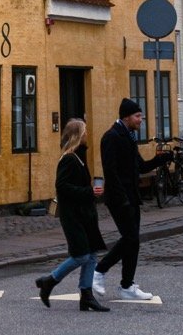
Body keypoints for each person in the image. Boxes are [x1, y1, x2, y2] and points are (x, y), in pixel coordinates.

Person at [93, 97, 169, 301]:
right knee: (130, 238)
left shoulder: (128, 136)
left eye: (141, 116)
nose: (141, 120)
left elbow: (141, 167)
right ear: (126, 117)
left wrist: (162, 159)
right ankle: (99, 271)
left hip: (131, 198)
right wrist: (122, 199)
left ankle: (127, 285)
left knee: (133, 242)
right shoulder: (111, 137)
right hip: (119, 199)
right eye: (138, 116)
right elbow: (110, 171)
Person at [35, 118, 109, 312]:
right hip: (74, 215)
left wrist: (91, 192)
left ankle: (86, 296)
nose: (87, 135)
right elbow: (62, 186)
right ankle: (49, 281)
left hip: (84, 214)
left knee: (91, 254)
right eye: (84, 132)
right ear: (78, 135)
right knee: (81, 255)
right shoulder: (69, 159)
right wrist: (89, 192)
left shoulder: (79, 157)